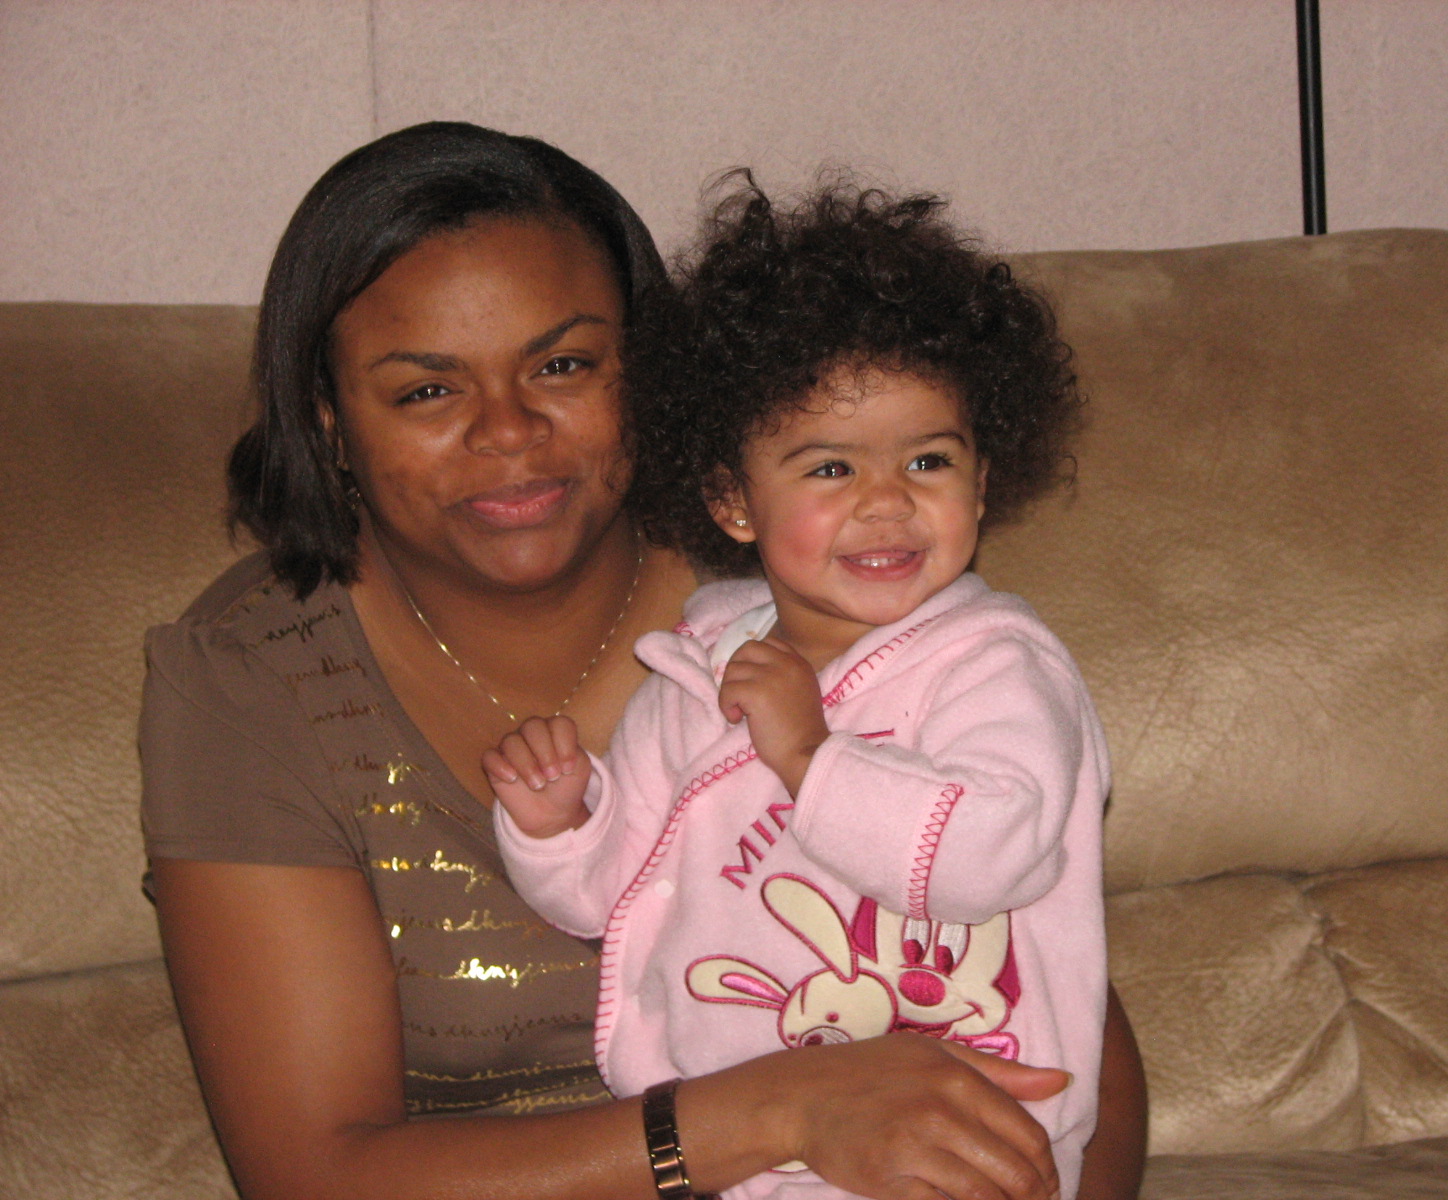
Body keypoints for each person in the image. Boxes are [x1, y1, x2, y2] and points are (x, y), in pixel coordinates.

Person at [140, 121, 1146, 1200]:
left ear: (653, 379)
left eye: (563, 365)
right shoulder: (256, 679)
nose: (509, 430)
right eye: (428, 390)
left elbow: (1053, 1002)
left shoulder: (822, 586)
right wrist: (778, 1111)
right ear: (332, 422)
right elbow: (314, 1178)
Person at [488, 177, 1109, 1200]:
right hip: (741, 1138)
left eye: (928, 460)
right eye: (829, 470)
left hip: (955, 1136)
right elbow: (613, 895)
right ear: (733, 500)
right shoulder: (696, 672)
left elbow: (994, 850)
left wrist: (811, 757)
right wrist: (559, 824)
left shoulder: (996, 664)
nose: (886, 503)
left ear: (984, 479)